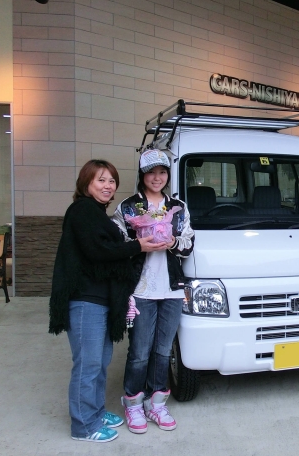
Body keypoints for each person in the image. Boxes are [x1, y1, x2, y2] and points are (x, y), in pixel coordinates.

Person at [49, 160, 166, 443]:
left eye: (111, 181)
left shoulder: (97, 212)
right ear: (86, 182)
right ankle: (83, 426)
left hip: (100, 300)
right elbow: (98, 250)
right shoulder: (82, 210)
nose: (108, 186)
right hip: (84, 300)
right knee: (88, 365)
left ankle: (96, 413)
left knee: (100, 362)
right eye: (101, 180)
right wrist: (138, 245)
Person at [113, 149, 194, 434]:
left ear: (167, 175)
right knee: (139, 351)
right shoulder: (128, 207)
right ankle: (133, 402)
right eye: (151, 172)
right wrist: (139, 245)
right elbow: (116, 247)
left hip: (172, 289)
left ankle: (156, 402)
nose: (157, 178)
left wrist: (173, 242)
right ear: (142, 175)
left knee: (163, 350)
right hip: (141, 289)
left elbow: (189, 243)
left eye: (162, 172)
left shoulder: (178, 207)